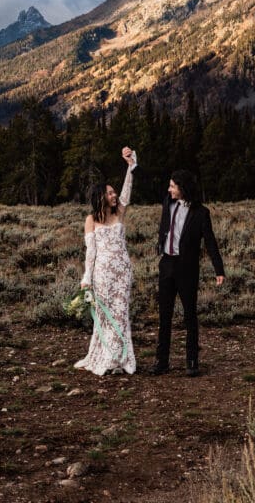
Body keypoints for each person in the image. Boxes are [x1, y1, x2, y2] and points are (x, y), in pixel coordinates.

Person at [152, 169, 225, 376]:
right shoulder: (168, 201)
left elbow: (210, 241)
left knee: (190, 316)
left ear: (182, 189)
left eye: (173, 186)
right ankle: (161, 361)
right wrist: (133, 163)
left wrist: (218, 269)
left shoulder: (201, 213)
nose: (169, 189)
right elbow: (151, 177)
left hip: (187, 269)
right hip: (166, 264)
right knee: (164, 316)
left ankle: (192, 361)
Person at [74, 147, 137, 376]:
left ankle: (120, 358)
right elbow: (90, 252)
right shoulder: (91, 219)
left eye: (114, 193)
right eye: (110, 193)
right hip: (102, 273)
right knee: (105, 315)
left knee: (121, 313)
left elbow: (127, 193)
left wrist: (130, 166)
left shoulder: (119, 212)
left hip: (122, 271)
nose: (114, 196)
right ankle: (107, 356)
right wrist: (86, 279)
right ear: (101, 196)